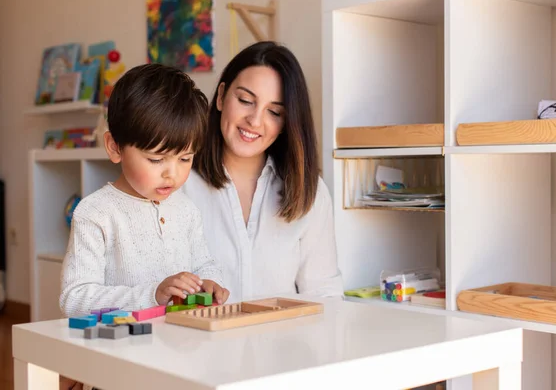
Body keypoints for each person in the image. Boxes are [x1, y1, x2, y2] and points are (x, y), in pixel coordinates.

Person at [59, 63, 230, 322]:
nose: (172, 174)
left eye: (185, 159)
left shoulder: (186, 209)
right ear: (115, 147)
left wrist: (210, 283)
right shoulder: (95, 213)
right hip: (121, 351)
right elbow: (74, 299)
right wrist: (153, 294)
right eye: (156, 159)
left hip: (180, 346)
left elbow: (203, 265)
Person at [182, 41, 344, 303]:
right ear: (221, 96)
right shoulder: (178, 182)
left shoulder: (309, 191)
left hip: (285, 342)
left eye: (274, 111)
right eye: (246, 100)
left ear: (286, 123)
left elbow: (324, 295)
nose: (255, 121)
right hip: (197, 341)